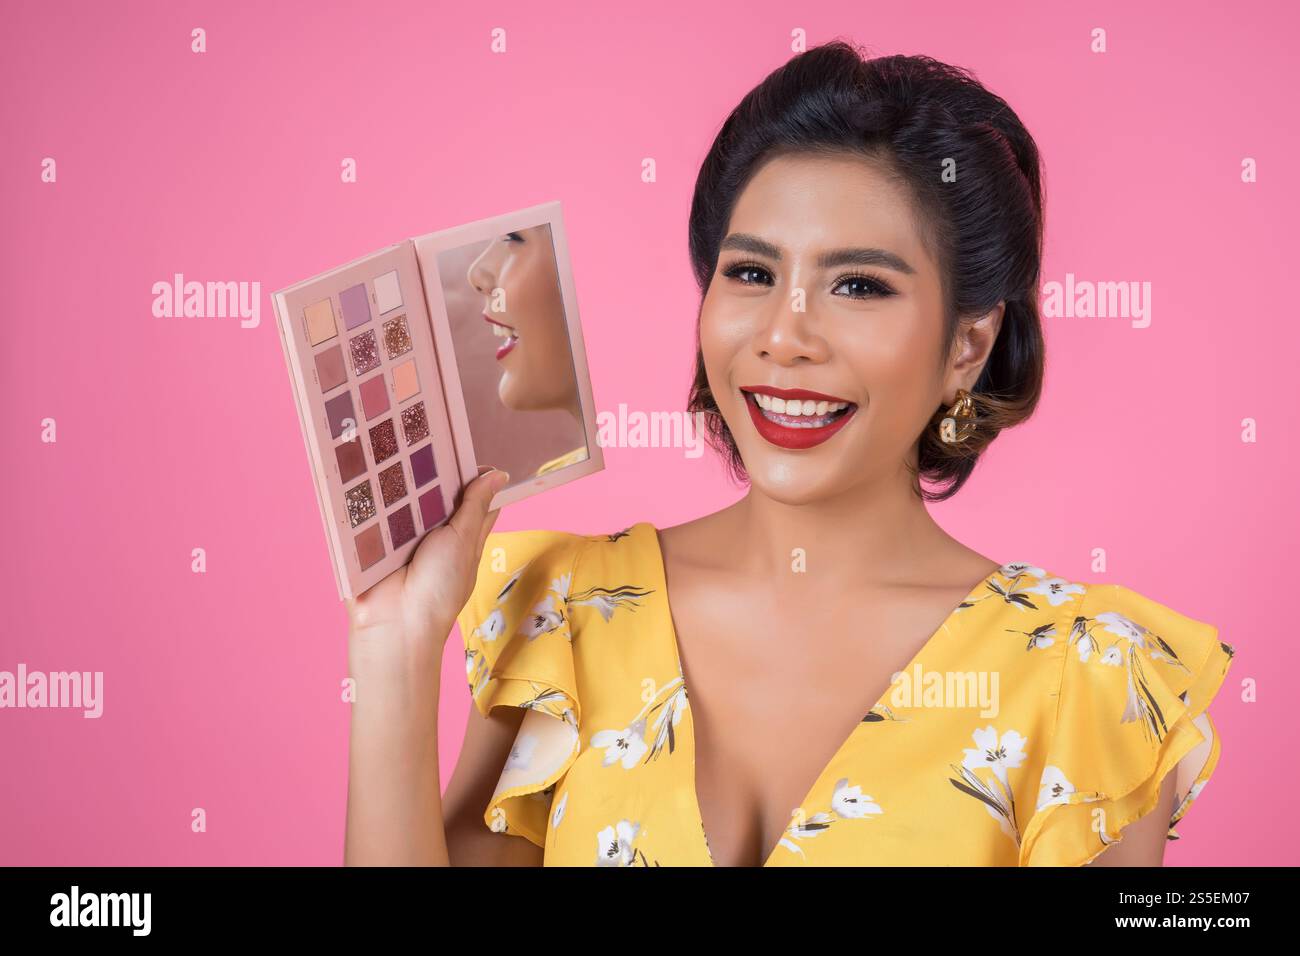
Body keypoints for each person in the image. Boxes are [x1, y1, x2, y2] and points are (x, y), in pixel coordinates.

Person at [343, 40, 1233, 867]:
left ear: (967, 345)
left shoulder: (1088, 676)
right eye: (753, 273)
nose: (784, 335)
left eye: (858, 285)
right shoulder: (565, 615)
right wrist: (395, 644)